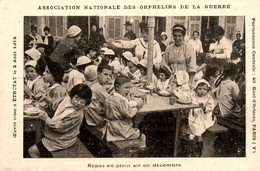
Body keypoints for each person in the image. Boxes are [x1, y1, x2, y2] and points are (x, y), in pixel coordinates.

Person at [28, 84, 92, 158]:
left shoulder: (77, 114)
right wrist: (45, 98)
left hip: (62, 139)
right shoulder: (67, 100)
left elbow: (58, 127)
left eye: (83, 102)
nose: (78, 103)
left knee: (32, 151)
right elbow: (55, 105)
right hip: (56, 133)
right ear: (72, 96)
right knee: (36, 135)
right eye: (77, 98)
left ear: (86, 103)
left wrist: (46, 118)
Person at [102, 75, 146, 148]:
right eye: (126, 88)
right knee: (142, 135)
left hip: (111, 128)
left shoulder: (110, 97)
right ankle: (140, 151)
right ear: (117, 87)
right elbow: (129, 114)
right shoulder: (120, 101)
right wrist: (137, 107)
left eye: (129, 88)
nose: (128, 90)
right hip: (120, 129)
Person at [188, 79, 215, 157]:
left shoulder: (208, 98)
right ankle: (193, 140)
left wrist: (204, 108)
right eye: (199, 89)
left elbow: (210, 107)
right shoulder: (194, 96)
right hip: (194, 115)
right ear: (196, 89)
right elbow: (190, 100)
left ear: (207, 90)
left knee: (198, 129)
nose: (202, 91)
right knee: (191, 123)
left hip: (204, 116)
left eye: (204, 89)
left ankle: (199, 148)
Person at [83, 62, 112, 127]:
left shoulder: (87, 83)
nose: (108, 78)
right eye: (105, 74)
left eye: (110, 75)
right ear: (98, 74)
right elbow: (112, 101)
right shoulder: (97, 87)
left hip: (89, 118)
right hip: (97, 120)